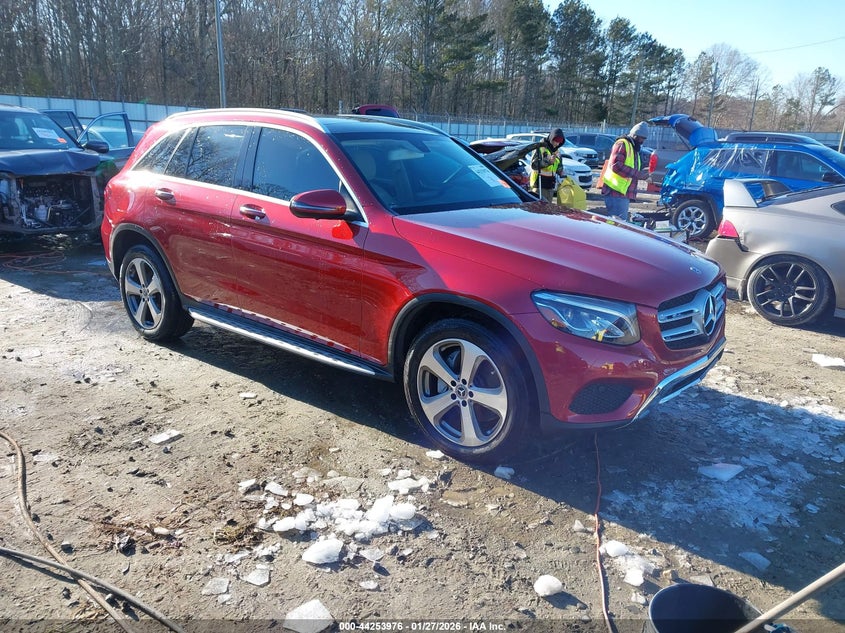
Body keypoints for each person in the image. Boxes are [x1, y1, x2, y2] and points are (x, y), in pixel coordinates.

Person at [600, 121, 650, 220]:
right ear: (635, 135)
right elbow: (616, 165)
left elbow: (630, 166)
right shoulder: (622, 144)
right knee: (617, 225)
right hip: (616, 191)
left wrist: (643, 172)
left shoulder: (632, 147)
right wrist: (638, 174)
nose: (642, 141)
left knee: (616, 224)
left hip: (621, 192)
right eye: (642, 138)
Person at [529, 128, 565, 202]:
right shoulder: (540, 148)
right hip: (539, 185)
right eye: (556, 141)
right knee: (538, 209)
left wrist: (561, 171)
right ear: (551, 138)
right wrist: (548, 162)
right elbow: (534, 165)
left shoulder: (557, 151)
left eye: (559, 142)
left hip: (550, 186)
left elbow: (558, 167)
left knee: (548, 210)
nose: (557, 144)